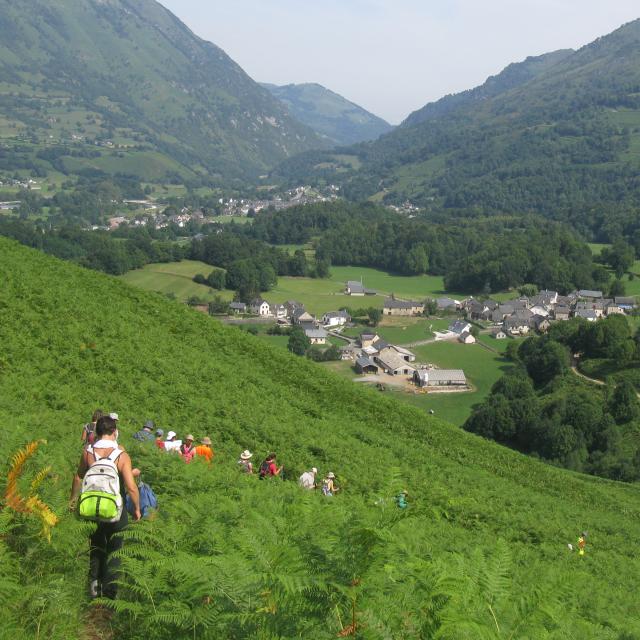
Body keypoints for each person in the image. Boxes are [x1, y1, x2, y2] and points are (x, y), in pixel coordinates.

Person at [69, 415, 140, 600]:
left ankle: (93, 588)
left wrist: (72, 500)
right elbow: (131, 486)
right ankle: (110, 592)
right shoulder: (121, 455)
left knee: (96, 546)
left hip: (92, 508)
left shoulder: (88, 452)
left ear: (97, 432)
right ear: (114, 432)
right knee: (116, 548)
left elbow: (78, 477)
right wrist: (137, 509)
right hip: (116, 509)